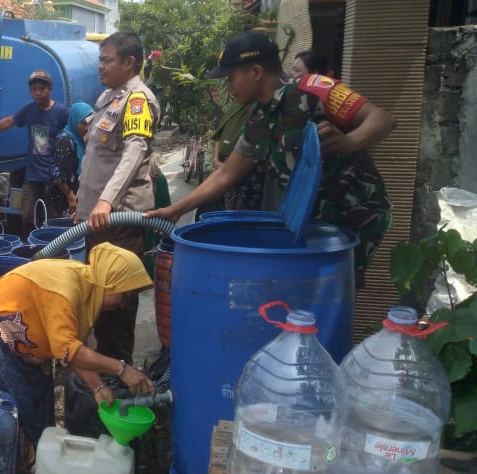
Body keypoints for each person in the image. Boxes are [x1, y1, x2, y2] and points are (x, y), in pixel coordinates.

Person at [147, 32, 395, 288]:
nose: (228, 86)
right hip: (308, 224)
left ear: (255, 72)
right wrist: (178, 209)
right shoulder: (258, 116)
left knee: (331, 298)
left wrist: (349, 142)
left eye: (231, 77)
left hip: (348, 217)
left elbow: (384, 119)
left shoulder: (315, 89)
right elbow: (228, 172)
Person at [0, 242, 157, 474]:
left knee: (40, 407)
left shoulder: (86, 288)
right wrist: (122, 369)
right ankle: (15, 468)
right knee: (15, 411)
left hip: (26, 346)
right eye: (125, 295)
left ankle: (41, 464)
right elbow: (68, 350)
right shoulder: (66, 290)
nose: (123, 304)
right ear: (111, 280)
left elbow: (74, 349)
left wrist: (97, 387)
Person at [76, 32, 161, 364]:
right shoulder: (108, 97)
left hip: (118, 221)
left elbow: (133, 153)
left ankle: (119, 379)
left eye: (107, 60)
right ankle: (106, 375)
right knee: (98, 302)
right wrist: (84, 208)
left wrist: (106, 201)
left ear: (129, 63)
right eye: (100, 59)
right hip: (96, 220)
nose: (100, 66)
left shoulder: (138, 99)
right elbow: (97, 158)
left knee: (115, 307)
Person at [0, 70, 70, 235]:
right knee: (27, 217)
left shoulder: (61, 113)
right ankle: (32, 247)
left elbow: (73, 136)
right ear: (30, 91)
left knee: (53, 218)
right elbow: (9, 122)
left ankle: (52, 251)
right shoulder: (29, 110)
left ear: (50, 89)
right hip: (33, 176)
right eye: (34, 89)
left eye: (42, 88)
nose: (38, 93)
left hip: (54, 179)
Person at [45, 102, 93, 218]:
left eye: (89, 123)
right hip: (62, 198)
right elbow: (58, 174)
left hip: (75, 195)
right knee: (63, 233)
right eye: (83, 123)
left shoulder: (80, 140)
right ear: (74, 121)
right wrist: (70, 196)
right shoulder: (65, 140)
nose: (87, 127)